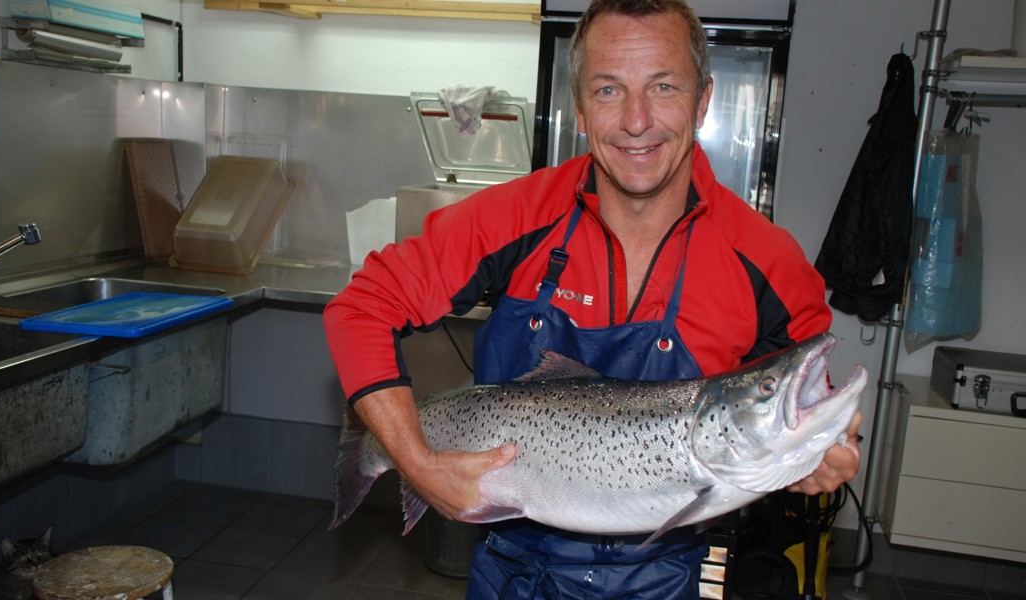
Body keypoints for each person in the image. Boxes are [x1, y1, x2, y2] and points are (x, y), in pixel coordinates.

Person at [324, 0, 862, 596]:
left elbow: (809, 411)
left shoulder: (768, 262)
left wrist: (828, 451)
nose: (637, 120)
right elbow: (360, 307)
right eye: (608, 90)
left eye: (663, 86)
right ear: (579, 108)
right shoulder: (517, 218)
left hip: (671, 576)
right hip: (513, 575)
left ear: (704, 100)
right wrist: (417, 463)